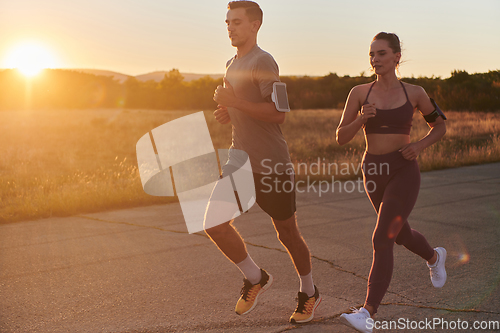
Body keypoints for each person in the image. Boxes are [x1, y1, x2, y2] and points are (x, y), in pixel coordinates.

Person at [204, 0, 321, 324]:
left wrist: (235, 101)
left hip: (272, 165)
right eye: (228, 22)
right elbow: (244, 107)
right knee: (213, 223)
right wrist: (229, 112)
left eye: (237, 22)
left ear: (255, 25)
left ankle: (308, 290)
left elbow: (278, 114)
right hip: (239, 159)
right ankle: (255, 277)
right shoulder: (231, 63)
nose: (230, 27)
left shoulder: (265, 61)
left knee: (287, 233)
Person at [336, 32, 447, 333]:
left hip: (403, 169)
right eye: (371, 55)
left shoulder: (415, 93)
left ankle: (367, 313)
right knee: (400, 234)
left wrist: (420, 146)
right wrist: (361, 119)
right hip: (372, 170)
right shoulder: (359, 93)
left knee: (381, 237)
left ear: (397, 57)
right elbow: (340, 136)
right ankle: (435, 256)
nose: (375, 60)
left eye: (382, 54)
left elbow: (440, 124)